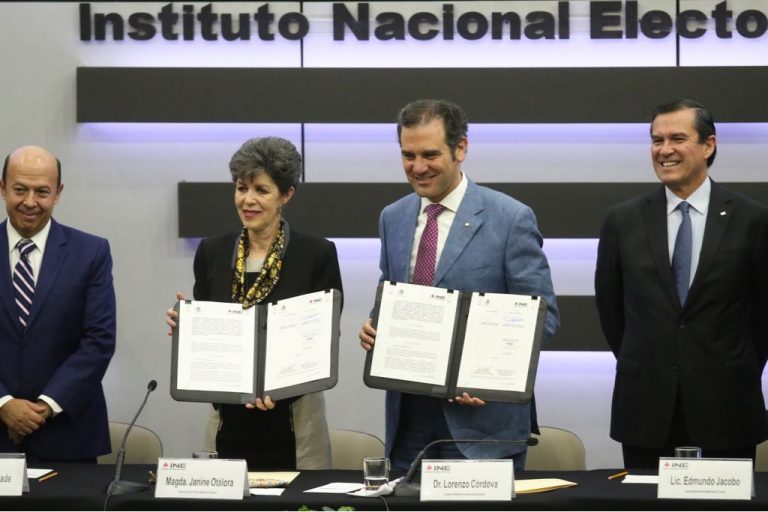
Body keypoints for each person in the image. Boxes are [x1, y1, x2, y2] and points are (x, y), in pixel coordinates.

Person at [358, 99, 559, 471]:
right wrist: (375, 327)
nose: (418, 167)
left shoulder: (511, 218)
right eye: (408, 155)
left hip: (482, 428)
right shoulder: (393, 217)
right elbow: (390, 292)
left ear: (461, 148)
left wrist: (485, 374)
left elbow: (541, 318)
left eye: (430, 154)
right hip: (408, 423)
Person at [595, 99, 768, 468]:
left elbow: (762, 317)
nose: (665, 150)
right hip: (645, 408)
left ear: (709, 145)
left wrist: (731, 368)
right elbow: (612, 313)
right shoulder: (621, 220)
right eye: (656, 140)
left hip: (727, 408)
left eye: (677, 138)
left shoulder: (753, 220)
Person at [167, 137, 342, 470]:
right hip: (228, 421)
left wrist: (276, 387)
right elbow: (209, 328)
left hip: (294, 422)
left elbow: (321, 342)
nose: (247, 200)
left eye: (261, 190)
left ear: (286, 195)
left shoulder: (316, 254)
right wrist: (187, 328)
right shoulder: (212, 252)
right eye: (241, 187)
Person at [0, 145, 116, 462]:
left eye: (42, 192)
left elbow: (99, 340)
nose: (30, 202)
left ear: (58, 193)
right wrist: (4, 403)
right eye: (20, 190)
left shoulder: (91, 253)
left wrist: (46, 406)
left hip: (67, 434)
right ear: (2, 188)